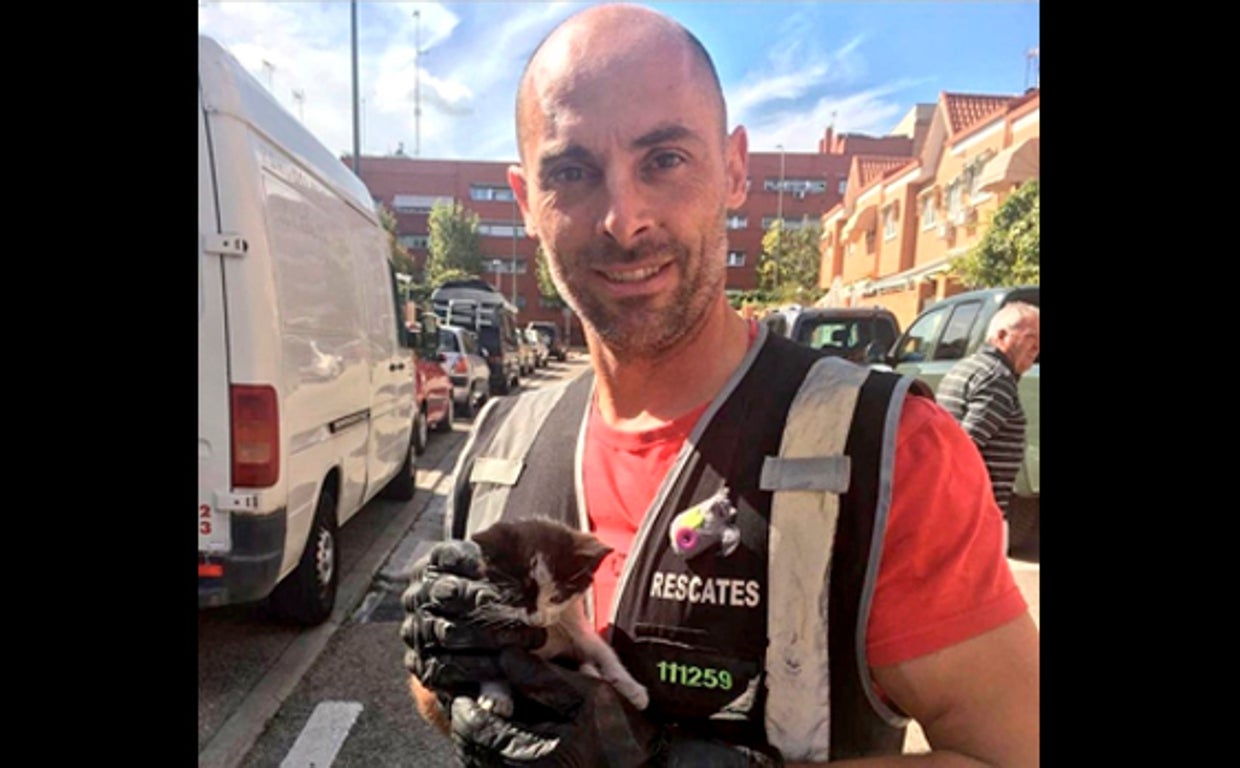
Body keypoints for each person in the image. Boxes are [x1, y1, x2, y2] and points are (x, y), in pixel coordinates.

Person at [401, 4, 1039, 766]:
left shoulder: (891, 454)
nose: (622, 218)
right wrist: (442, 676)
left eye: (664, 158)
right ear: (525, 203)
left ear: (735, 168)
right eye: (572, 172)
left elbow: (1011, 752)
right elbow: (452, 692)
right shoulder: (503, 445)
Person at [936, 301, 1040, 549]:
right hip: (975, 516)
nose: (1037, 346)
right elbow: (964, 445)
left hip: (958, 510)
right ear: (1002, 336)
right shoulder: (997, 379)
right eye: (1030, 337)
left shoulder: (965, 367)